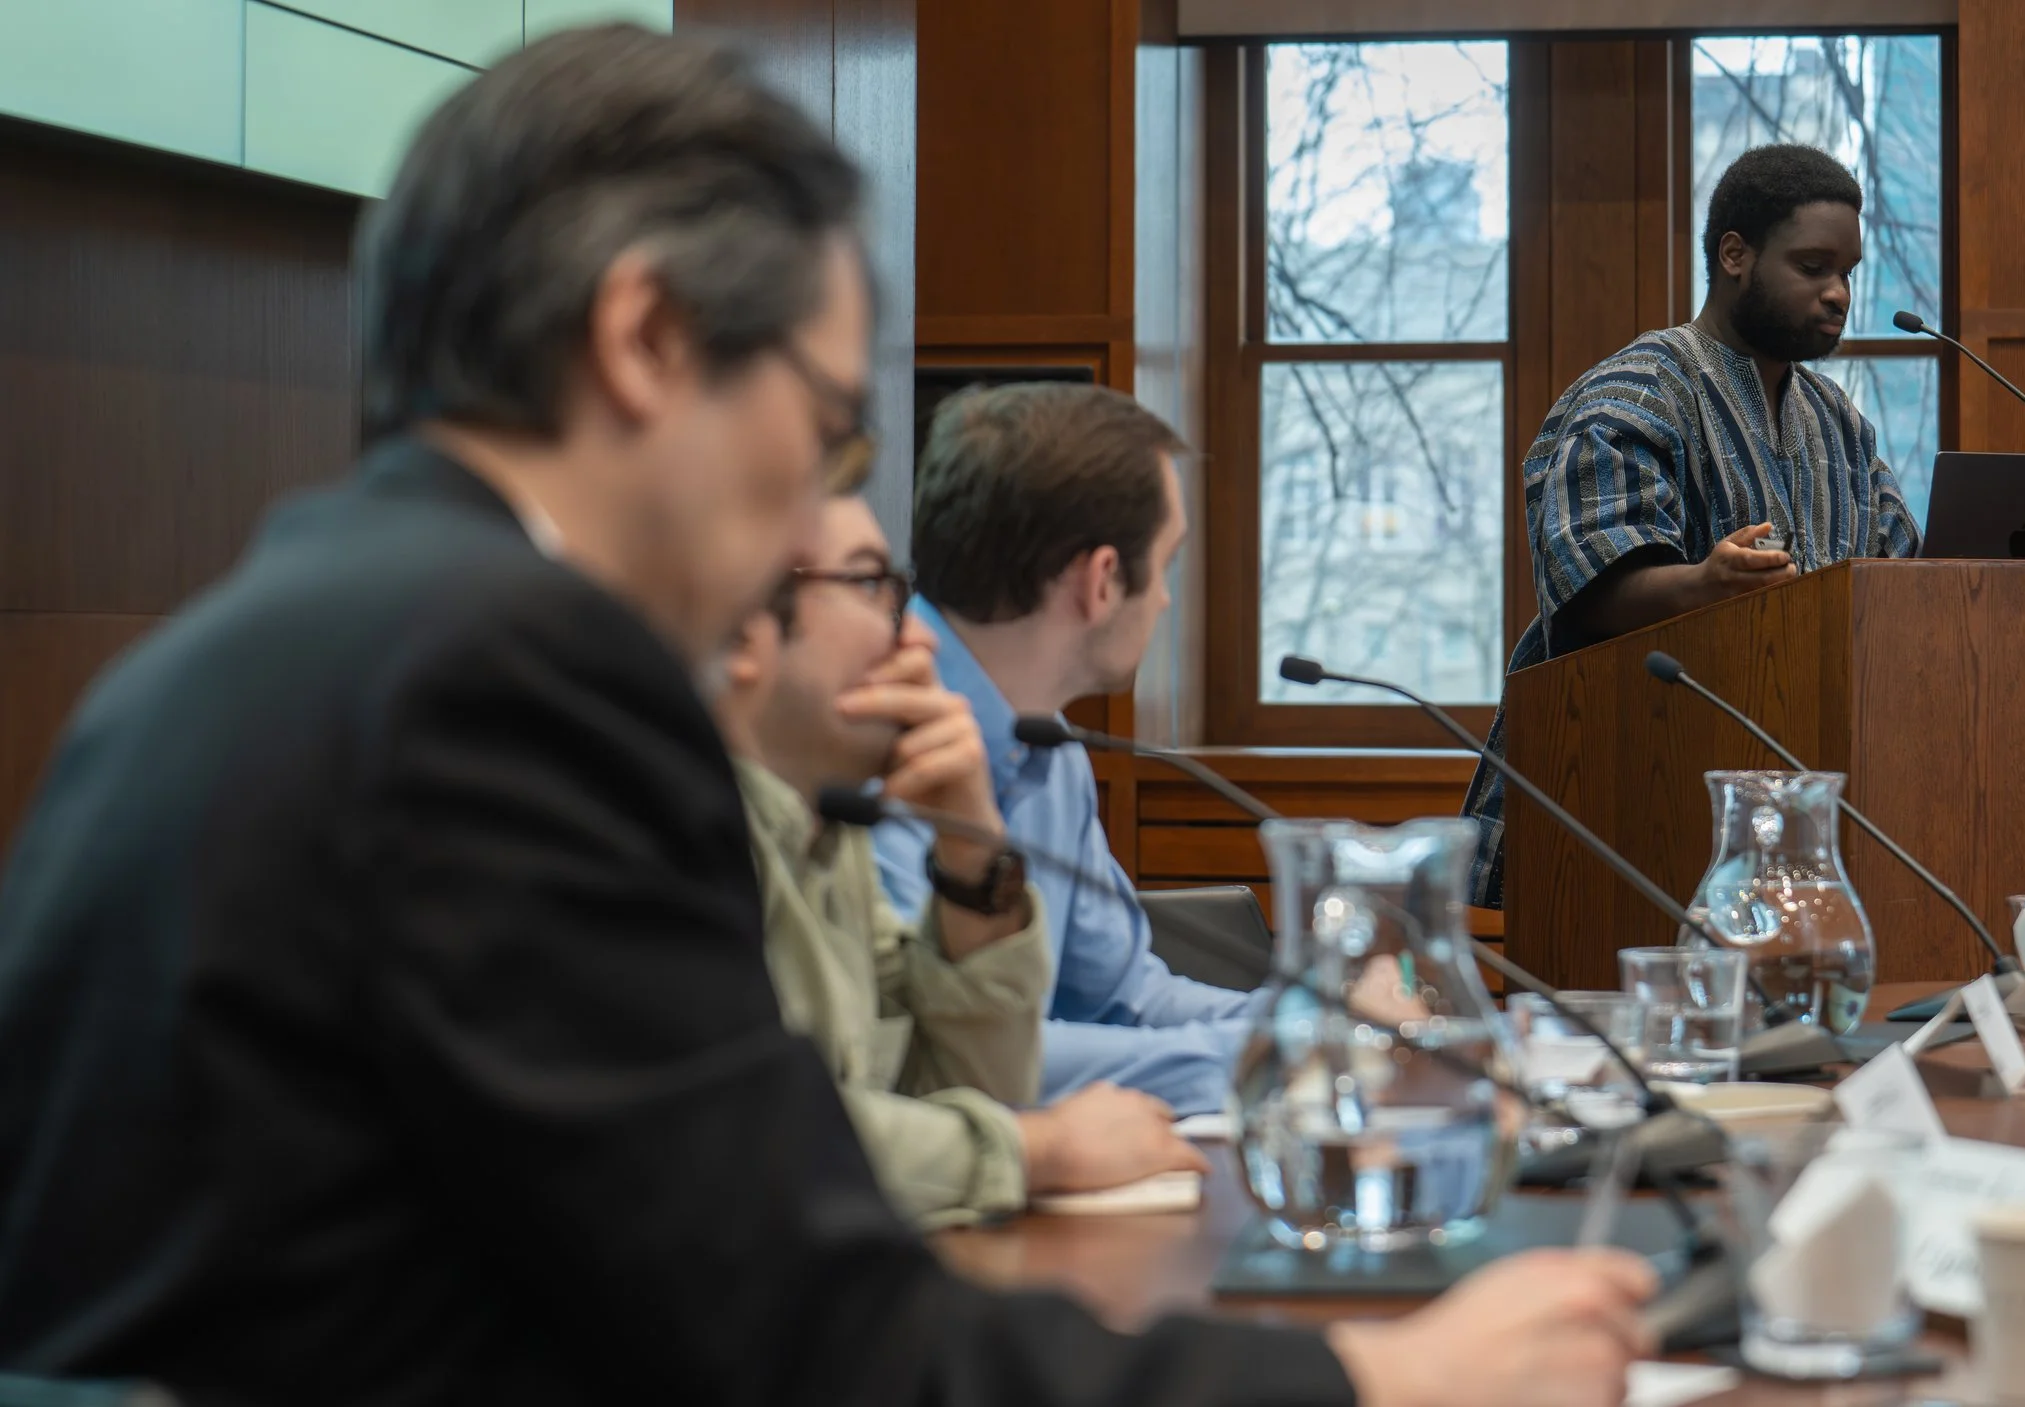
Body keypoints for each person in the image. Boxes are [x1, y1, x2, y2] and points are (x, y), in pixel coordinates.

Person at [0, 25, 1657, 1407]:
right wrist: (1380, 1380)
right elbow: (807, 1332)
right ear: (647, 338)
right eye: (822, 428)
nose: (820, 511)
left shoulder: (271, 639)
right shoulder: (507, 679)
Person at [711, 494, 1205, 1226]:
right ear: (741, 625)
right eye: (870, 584)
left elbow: (958, 1092)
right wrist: (1039, 1149)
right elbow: (747, 1139)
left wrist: (974, 861)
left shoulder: (830, 833)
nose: (919, 639)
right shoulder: (663, 831)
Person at [1463, 143, 1923, 908]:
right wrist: (1705, 584)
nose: (1838, 293)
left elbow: (1896, 583)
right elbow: (1588, 597)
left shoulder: (1840, 421)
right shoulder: (1636, 391)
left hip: (1805, 805)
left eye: (1848, 272)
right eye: (1813, 267)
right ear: (1735, 255)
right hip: (1631, 800)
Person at [876, 384, 1250, 1116]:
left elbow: (1124, 999)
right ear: (1102, 580)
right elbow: (937, 1061)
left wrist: (1317, 1026)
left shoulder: (1050, 750)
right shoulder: (875, 739)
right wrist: (1270, 1056)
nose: (1165, 600)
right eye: (1166, 565)